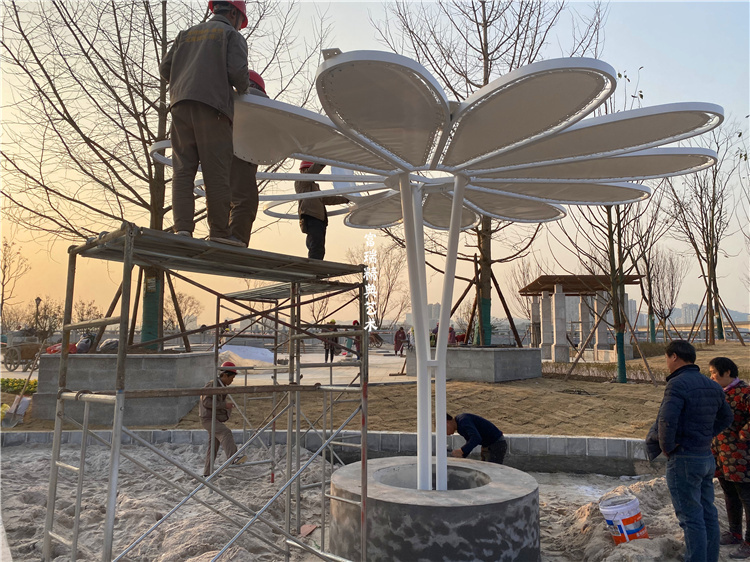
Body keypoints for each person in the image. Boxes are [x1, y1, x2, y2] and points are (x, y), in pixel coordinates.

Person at [159, 1, 251, 247]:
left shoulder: (185, 35)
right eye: (240, 22)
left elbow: (165, 69)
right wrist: (243, 89)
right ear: (234, 13)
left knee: (183, 170)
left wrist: (186, 80)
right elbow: (238, 74)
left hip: (179, 106)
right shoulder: (231, 35)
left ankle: (183, 229)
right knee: (216, 172)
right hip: (213, 108)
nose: (239, 27)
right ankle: (219, 232)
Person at [645, 340, 733, 562]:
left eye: (667, 358)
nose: (667, 363)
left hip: (684, 458)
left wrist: (667, 447)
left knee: (691, 517)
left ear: (674, 357)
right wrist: (707, 434)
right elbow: (727, 417)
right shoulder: (712, 385)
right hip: (705, 457)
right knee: (708, 513)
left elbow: (667, 420)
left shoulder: (677, 384)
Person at [709, 357, 750, 559]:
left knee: (747, 498)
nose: (711, 377)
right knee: (729, 494)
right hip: (721, 454)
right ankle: (735, 533)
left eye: (713, 373)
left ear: (726, 373)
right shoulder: (719, 393)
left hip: (742, 456)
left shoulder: (745, 392)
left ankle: (749, 542)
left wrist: (744, 433)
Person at [228, 70, 268, 247]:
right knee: (246, 199)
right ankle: (237, 238)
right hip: (240, 157)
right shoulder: (255, 104)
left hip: (221, 155)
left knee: (224, 199)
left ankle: (222, 235)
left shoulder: (225, 101)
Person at [199, 361, 247, 477]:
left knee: (213, 447)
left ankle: (207, 473)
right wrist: (224, 405)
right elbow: (206, 402)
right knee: (225, 432)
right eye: (231, 378)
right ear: (225, 375)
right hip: (208, 419)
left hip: (214, 419)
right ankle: (233, 458)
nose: (232, 381)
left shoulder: (220, 385)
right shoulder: (212, 385)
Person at [295, 161, 349, 259]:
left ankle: (314, 263)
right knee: (316, 246)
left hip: (318, 219)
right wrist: (322, 161)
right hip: (311, 217)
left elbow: (326, 199)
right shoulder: (301, 182)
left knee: (317, 244)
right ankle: (314, 265)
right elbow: (312, 172)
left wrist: (346, 199)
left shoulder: (313, 187)